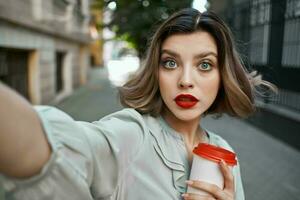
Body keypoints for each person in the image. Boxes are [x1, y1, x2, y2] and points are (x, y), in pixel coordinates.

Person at [0, 8, 274, 200]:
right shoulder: (131, 134)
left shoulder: (224, 152)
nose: (185, 80)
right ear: (156, 71)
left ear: (222, 75)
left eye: (204, 64)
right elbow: (54, 149)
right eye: (170, 63)